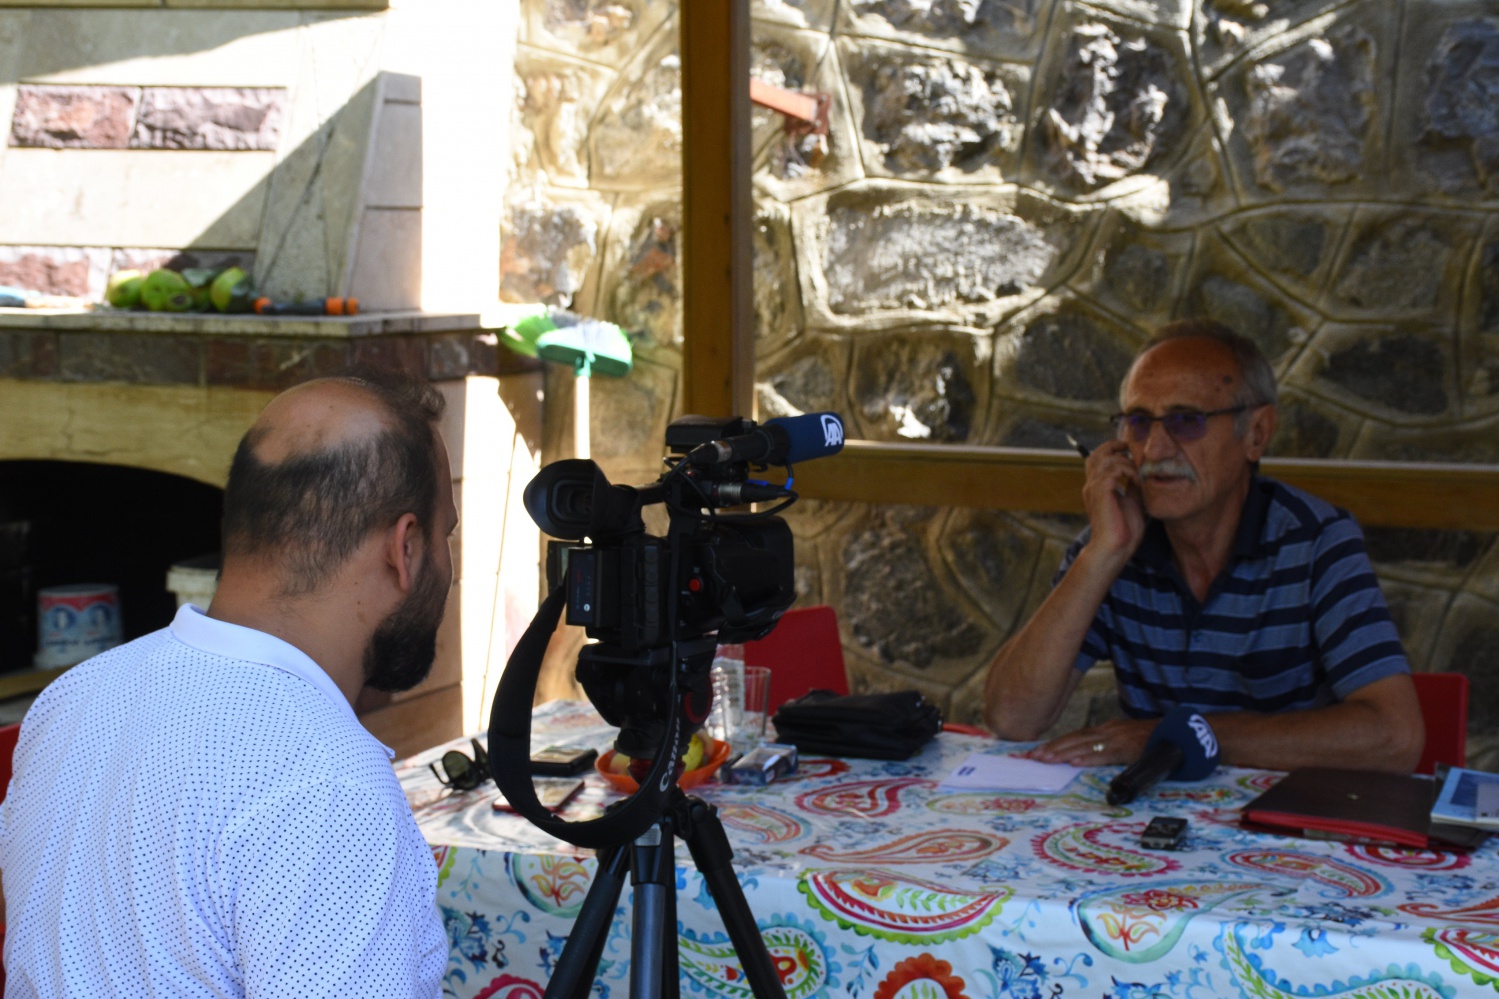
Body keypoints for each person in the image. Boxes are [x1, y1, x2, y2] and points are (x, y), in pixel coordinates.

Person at [0, 368, 456, 997]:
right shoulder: (327, 780)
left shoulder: (73, 697)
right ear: (404, 549)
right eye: (445, 533)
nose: (449, 567)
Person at [983, 319, 1424, 773]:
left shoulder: (1317, 542)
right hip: (1147, 823)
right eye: (1138, 422)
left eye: (1185, 421)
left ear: (1255, 434)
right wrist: (1102, 554)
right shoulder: (1115, 541)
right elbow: (1013, 718)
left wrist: (1174, 736)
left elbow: (1394, 737)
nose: (1154, 449)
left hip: (1279, 827)